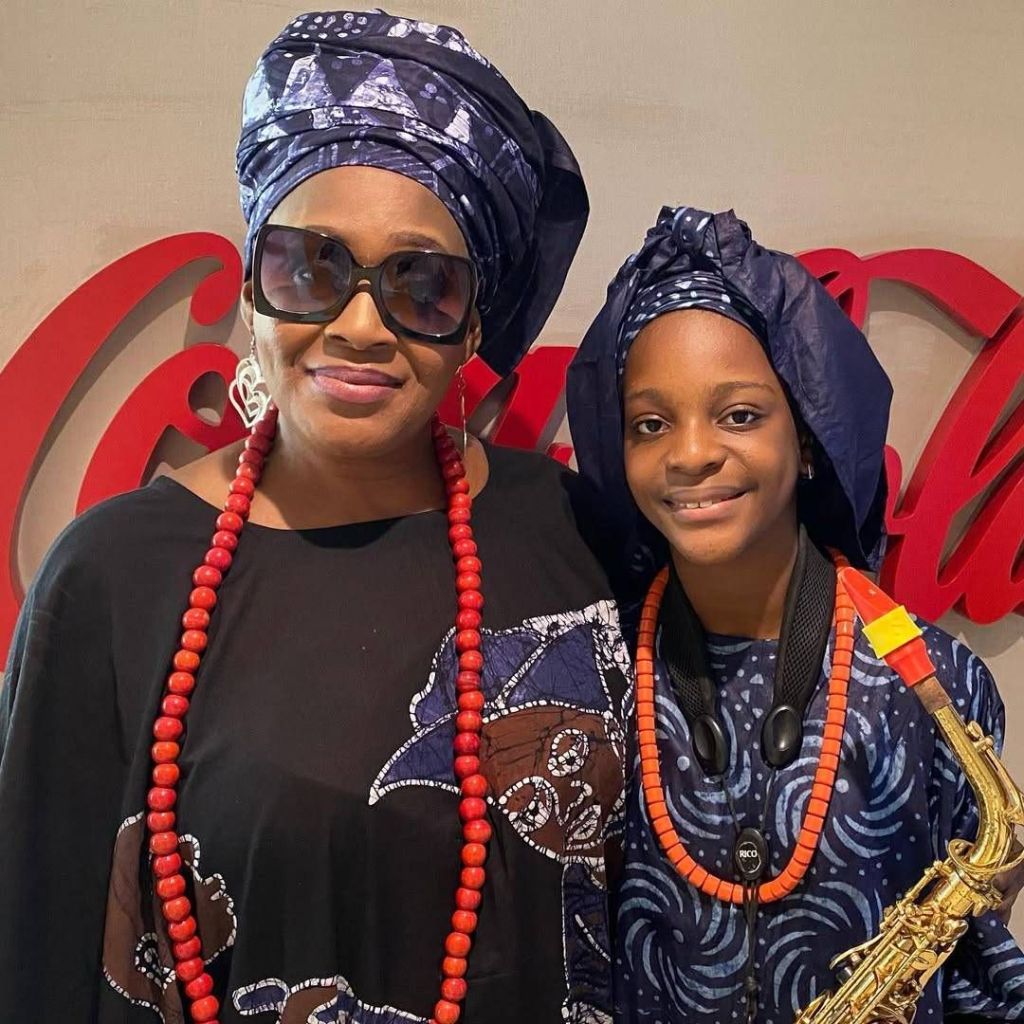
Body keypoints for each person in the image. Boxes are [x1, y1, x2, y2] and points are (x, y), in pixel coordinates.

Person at [0, 12, 631, 1024]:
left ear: (473, 321)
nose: (359, 324)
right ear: (252, 287)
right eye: (312, 267)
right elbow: (33, 949)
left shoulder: (569, 531)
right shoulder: (110, 579)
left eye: (422, 283)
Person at [566, 205, 1024, 1023]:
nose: (693, 453)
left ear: (807, 435)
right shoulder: (588, 674)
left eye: (740, 414)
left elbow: (973, 972)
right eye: (650, 423)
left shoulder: (935, 688)